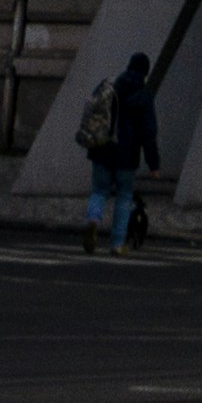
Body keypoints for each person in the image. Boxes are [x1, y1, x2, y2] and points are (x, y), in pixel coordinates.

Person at [79, 49, 162, 254]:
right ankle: (117, 244)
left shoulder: (109, 86)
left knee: (99, 191)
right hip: (127, 156)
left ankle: (92, 221)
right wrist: (154, 164)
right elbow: (148, 133)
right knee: (124, 196)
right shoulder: (144, 97)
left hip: (102, 149)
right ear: (145, 73)